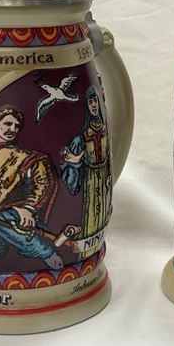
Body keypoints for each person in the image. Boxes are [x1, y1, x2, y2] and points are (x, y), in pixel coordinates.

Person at [0, 106, 63, 272]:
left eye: (16, 126)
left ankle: (54, 263)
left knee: (29, 239)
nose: (12, 129)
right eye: (8, 124)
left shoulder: (23, 157)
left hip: (7, 212)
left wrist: (29, 208)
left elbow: (43, 183)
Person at [60, 86, 112, 257]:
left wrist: (109, 173)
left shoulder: (102, 128)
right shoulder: (84, 135)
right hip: (91, 178)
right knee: (91, 209)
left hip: (102, 176)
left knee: (101, 207)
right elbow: (78, 159)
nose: (94, 105)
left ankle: (95, 243)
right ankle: (87, 248)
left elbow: (108, 153)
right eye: (90, 102)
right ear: (87, 106)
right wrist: (73, 160)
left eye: (95, 101)